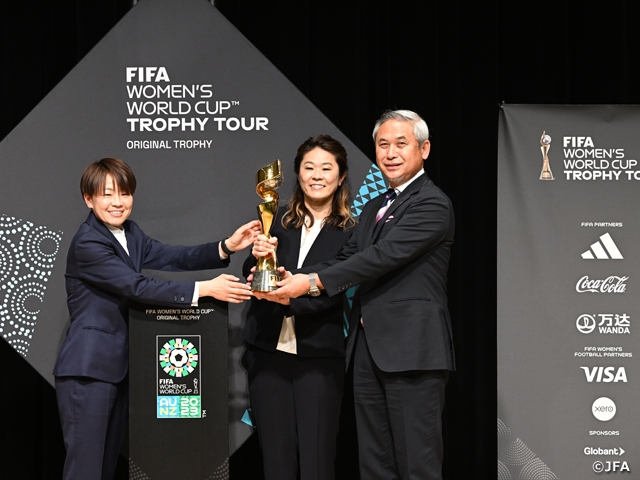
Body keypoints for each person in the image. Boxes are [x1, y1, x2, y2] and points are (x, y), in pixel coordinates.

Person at [262, 110, 455, 480]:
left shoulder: (432, 203)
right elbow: (347, 259)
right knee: (374, 464)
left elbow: (380, 258)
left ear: (424, 149)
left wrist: (311, 283)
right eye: (383, 144)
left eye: (401, 144)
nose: (390, 153)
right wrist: (288, 278)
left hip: (413, 351)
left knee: (417, 464)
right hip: (369, 350)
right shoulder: (375, 206)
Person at [53, 157, 261, 480]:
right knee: (85, 471)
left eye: (124, 193)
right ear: (88, 198)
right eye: (107, 194)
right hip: (87, 371)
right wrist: (206, 289)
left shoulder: (130, 234)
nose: (117, 202)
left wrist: (225, 247)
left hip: (116, 371)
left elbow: (172, 256)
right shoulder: (88, 242)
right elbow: (136, 286)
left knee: (105, 469)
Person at [243, 135, 355, 480]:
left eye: (326, 168)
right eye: (309, 167)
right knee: (275, 462)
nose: (317, 175)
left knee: (317, 461)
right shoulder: (274, 220)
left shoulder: (353, 230)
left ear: (340, 176)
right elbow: (253, 270)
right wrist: (256, 261)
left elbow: (339, 287)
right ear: (298, 174)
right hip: (267, 352)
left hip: (319, 355)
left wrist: (293, 293)